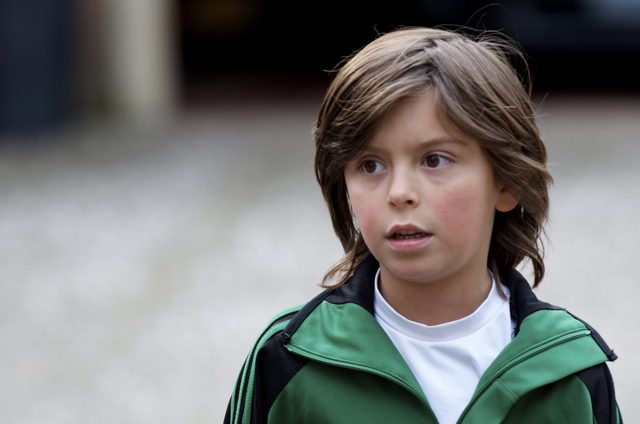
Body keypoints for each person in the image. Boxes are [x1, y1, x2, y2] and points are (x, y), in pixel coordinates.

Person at [224, 27, 622, 424]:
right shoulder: (288, 360)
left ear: (508, 182)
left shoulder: (572, 372)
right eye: (370, 165)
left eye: (434, 160)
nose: (399, 193)